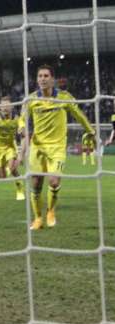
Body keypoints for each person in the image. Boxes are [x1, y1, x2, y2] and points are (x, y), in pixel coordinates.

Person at [17, 65, 95, 230]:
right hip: (37, 147)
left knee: (53, 181)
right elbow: (22, 118)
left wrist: (91, 131)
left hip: (57, 147)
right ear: (37, 79)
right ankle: (38, 219)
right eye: (40, 76)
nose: (43, 79)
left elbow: (79, 114)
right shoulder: (30, 100)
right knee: (36, 183)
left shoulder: (63, 97)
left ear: (52, 79)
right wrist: (22, 128)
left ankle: (50, 211)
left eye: (46, 76)